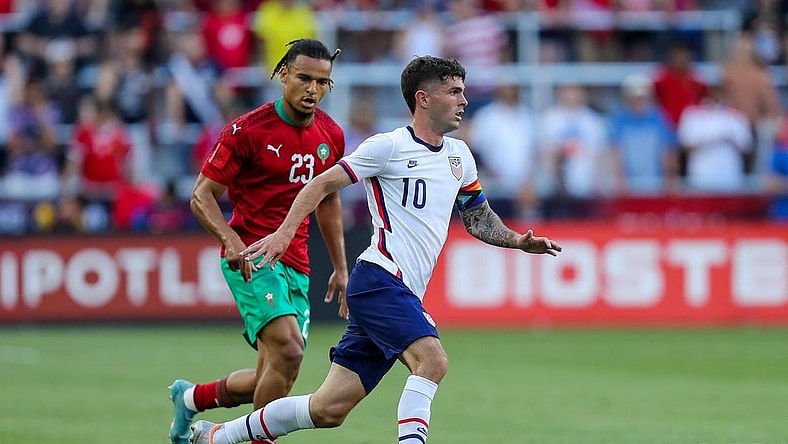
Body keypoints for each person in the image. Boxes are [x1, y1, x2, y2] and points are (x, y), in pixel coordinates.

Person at [188, 55, 562, 444]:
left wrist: (518, 241)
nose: (464, 101)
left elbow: (477, 216)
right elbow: (318, 185)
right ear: (424, 98)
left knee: (327, 409)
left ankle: (216, 435)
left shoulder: (460, 156)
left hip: (399, 291)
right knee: (432, 361)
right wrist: (284, 234)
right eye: (454, 92)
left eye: (463, 92)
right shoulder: (387, 147)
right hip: (381, 279)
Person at [168, 39, 350, 444]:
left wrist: (340, 267)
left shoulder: (331, 135)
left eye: (323, 83)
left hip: (297, 264)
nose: (313, 90)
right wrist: (230, 239)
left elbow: (328, 201)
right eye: (304, 78)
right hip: (252, 256)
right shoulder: (246, 131)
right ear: (282, 74)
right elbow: (201, 195)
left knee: (275, 376)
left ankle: (192, 399)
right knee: (289, 350)